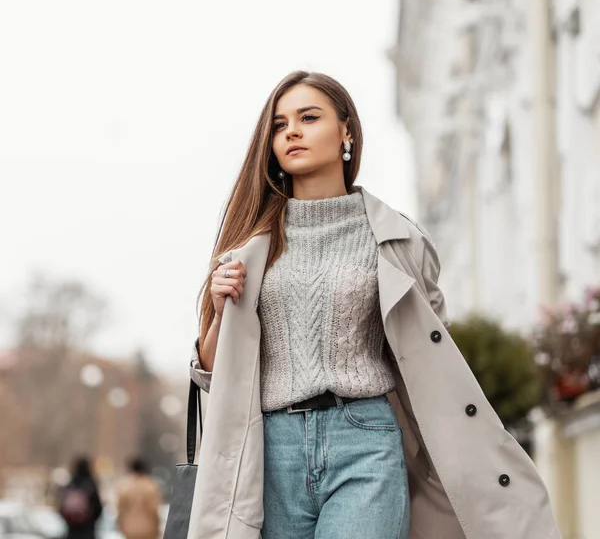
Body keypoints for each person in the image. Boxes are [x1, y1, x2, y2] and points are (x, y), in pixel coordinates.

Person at [186, 71, 561, 539]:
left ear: (347, 130)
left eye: (309, 117)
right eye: (280, 125)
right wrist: (223, 310)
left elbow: (430, 356)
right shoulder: (250, 250)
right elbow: (210, 373)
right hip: (269, 451)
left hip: (364, 438)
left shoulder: (399, 242)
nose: (293, 132)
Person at [58, 456, 103, 539]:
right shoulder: (90, 485)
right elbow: (98, 508)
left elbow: (61, 508)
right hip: (87, 532)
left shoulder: (70, 485)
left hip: (72, 532)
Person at [116, 457, 161, 539]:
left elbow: (120, 509)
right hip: (148, 529)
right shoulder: (150, 486)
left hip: (129, 529)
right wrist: (157, 527)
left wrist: (121, 525)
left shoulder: (125, 487)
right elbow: (154, 510)